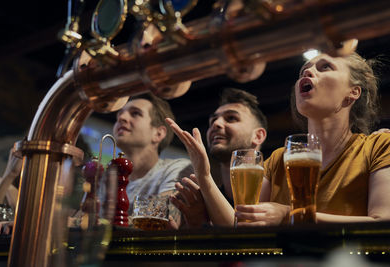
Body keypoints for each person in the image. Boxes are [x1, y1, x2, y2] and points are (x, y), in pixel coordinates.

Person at [167, 52, 390, 227]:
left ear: (353, 92)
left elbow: (383, 222)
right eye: (304, 69)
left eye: (325, 67)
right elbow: (242, 226)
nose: (309, 72)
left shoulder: (378, 147)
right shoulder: (278, 159)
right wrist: (205, 176)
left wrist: (289, 214)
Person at [169, 88, 268, 228]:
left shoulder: (276, 190)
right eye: (213, 120)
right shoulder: (202, 203)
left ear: (258, 136)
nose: (216, 124)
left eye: (231, 118)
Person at [112, 92, 192, 226]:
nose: (122, 118)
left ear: (158, 133)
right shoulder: (107, 179)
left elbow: (159, 221)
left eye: (135, 113)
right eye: (119, 114)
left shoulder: (177, 168)